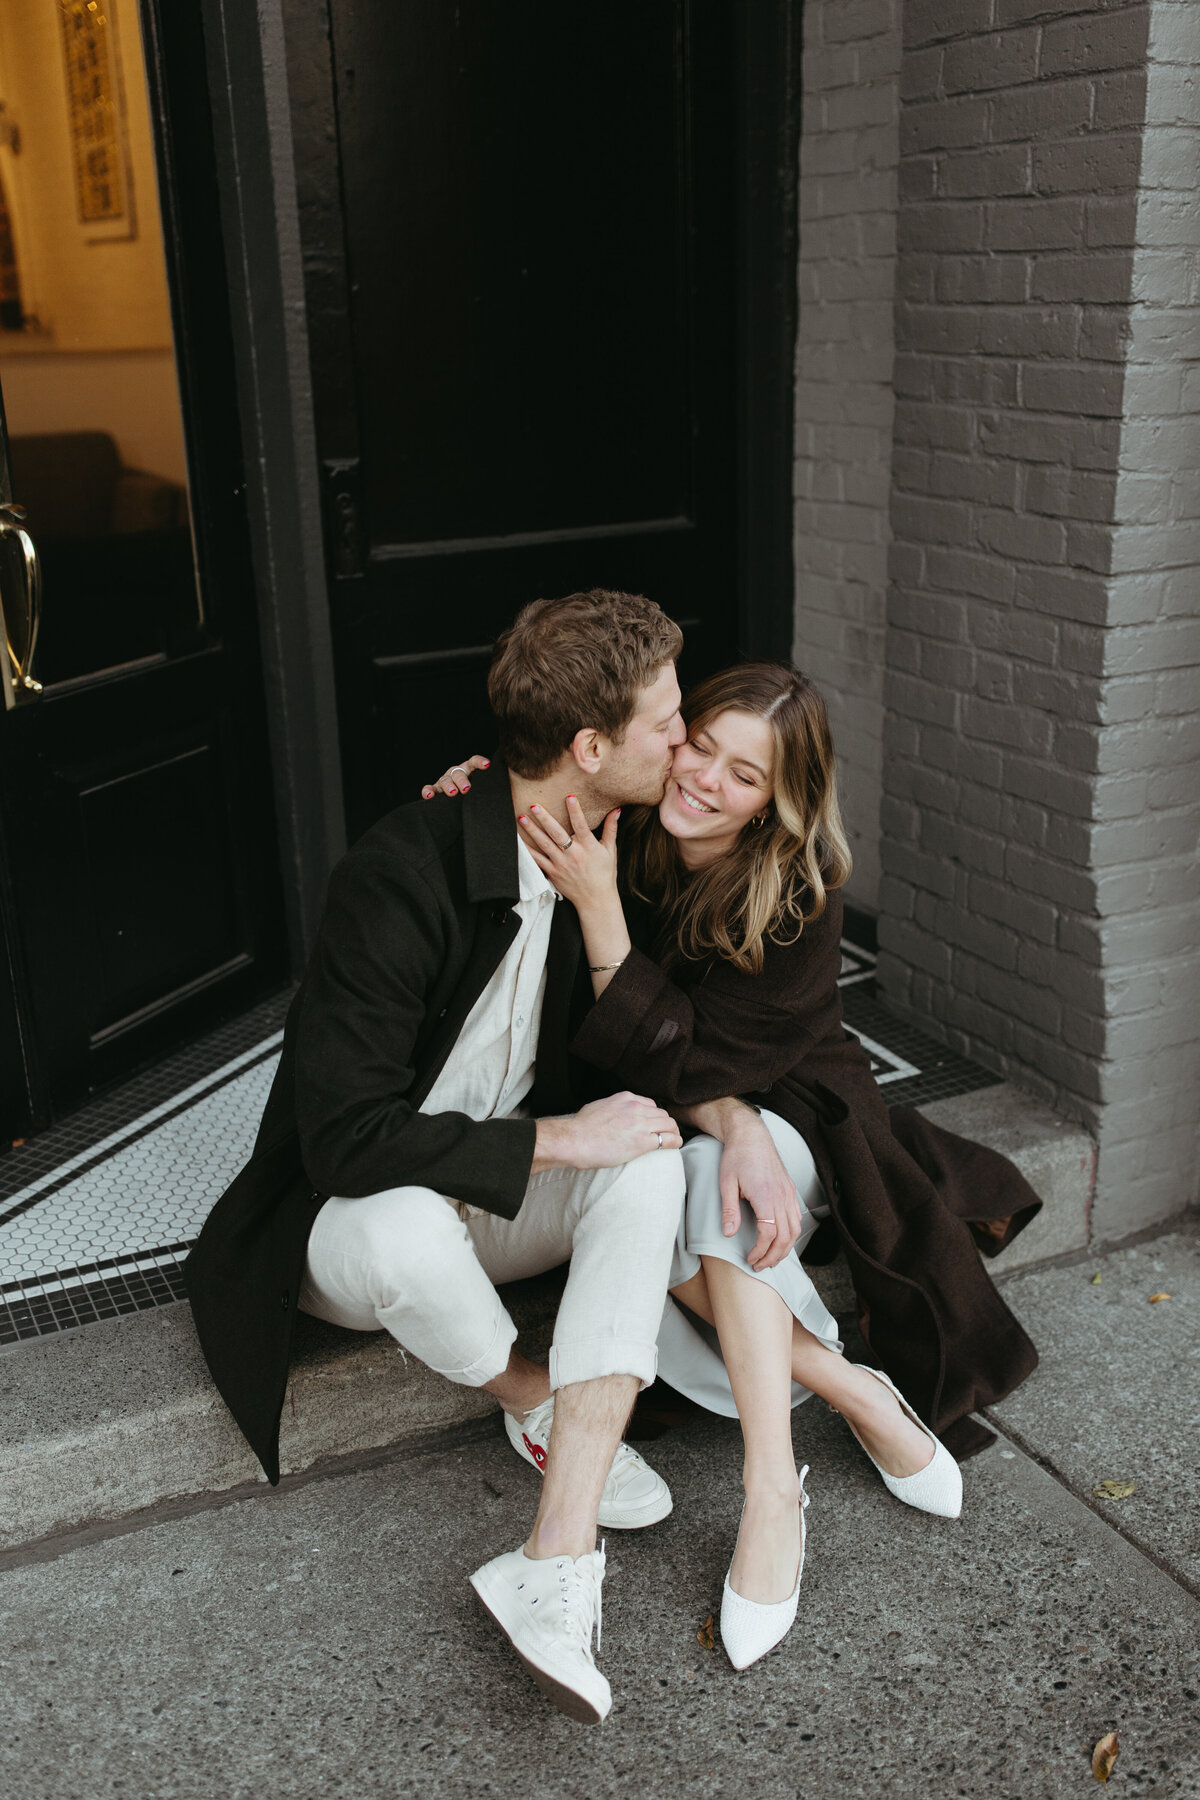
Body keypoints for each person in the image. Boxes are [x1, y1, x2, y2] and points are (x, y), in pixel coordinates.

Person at [426, 662, 1040, 1671]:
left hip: (800, 1111)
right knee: (691, 1167)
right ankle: (855, 1392)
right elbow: (629, 1042)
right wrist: (475, 793)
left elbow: (686, 1053)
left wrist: (740, 1118)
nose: (705, 778)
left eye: (743, 774)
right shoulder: (627, 831)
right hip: (694, 1113)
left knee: (710, 1173)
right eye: (700, 743)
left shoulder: (800, 894)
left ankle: (771, 1493)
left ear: (778, 801)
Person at [187, 589, 701, 1728]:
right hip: (353, 1224)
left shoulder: (617, 847)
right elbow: (346, 1141)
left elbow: (656, 1086)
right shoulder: (402, 872)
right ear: (587, 747)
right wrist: (566, 1137)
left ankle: (552, 1560)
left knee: (654, 1156)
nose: (686, 739)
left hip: (497, 1202)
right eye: (665, 722)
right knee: (412, 1218)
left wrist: (604, 918)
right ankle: (534, 1395)